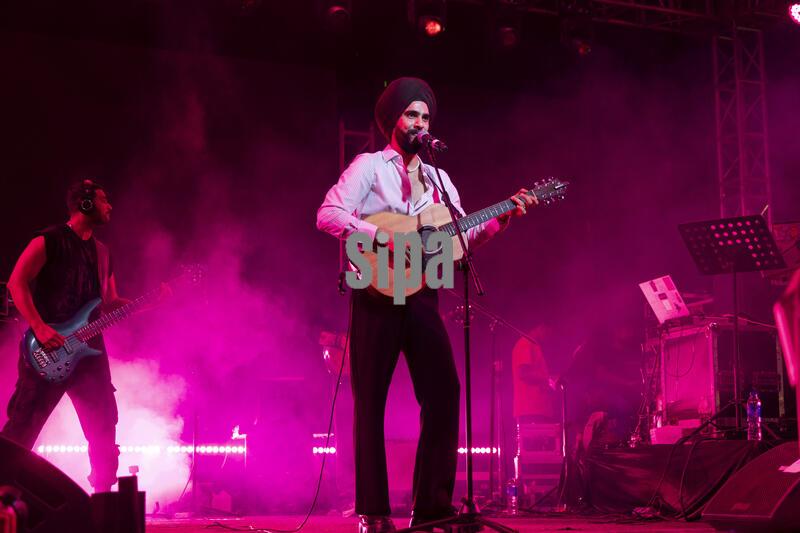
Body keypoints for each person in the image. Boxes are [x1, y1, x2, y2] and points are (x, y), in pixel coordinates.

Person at [317, 77, 537, 533]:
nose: (419, 123)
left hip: (421, 294)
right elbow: (329, 214)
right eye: (411, 114)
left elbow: (461, 238)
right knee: (370, 403)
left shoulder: (440, 178)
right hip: (376, 293)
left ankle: (433, 506)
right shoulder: (369, 166)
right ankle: (373, 512)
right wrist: (385, 235)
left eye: (424, 117)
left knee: (444, 393)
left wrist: (504, 217)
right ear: (392, 121)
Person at [2, 179, 127, 492]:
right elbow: (16, 284)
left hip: (90, 356)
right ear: (85, 204)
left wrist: (150, 302)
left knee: (103, 428)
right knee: (21, 430)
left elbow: (109, 303)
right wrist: (41, 328)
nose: (110, 205)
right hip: (48, 351)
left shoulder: (103, 253)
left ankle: (102, 500)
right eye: (103, 199)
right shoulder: (49, 240)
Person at [511, 324, 554, 424]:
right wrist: (547, 379)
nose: (549, 335)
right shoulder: (526, 344)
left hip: (535, 409)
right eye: (548, 330)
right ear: (540, 327)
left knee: (538, 439)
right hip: (531, 409)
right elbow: (523, 373)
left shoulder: (531, 344)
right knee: (535, 439)